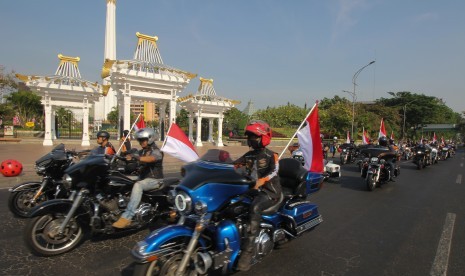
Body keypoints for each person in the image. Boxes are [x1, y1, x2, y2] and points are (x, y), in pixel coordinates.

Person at [233, 120, 282, 271]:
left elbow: (274, 172)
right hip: (252, 190)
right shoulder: (249, 155)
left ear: (263, 137)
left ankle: (247, 252)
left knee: (254, 208)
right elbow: (234, 166)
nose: (250, 139)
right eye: (249, 136)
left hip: (269, 192)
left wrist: (262, 180)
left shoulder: (271, 155)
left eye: (253, 136)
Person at [112, 128, 164, 229]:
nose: (140, 142)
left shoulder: (157, 151)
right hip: (143, 177)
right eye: (139, 140)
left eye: (142, 140)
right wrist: (124, 157)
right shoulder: (142, 151)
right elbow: (133, 155)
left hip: (155, 180)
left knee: (138, 185)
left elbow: (151, 159)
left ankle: (127, 217)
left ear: (150, 139)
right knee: (121, 179)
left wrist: (137, 158)